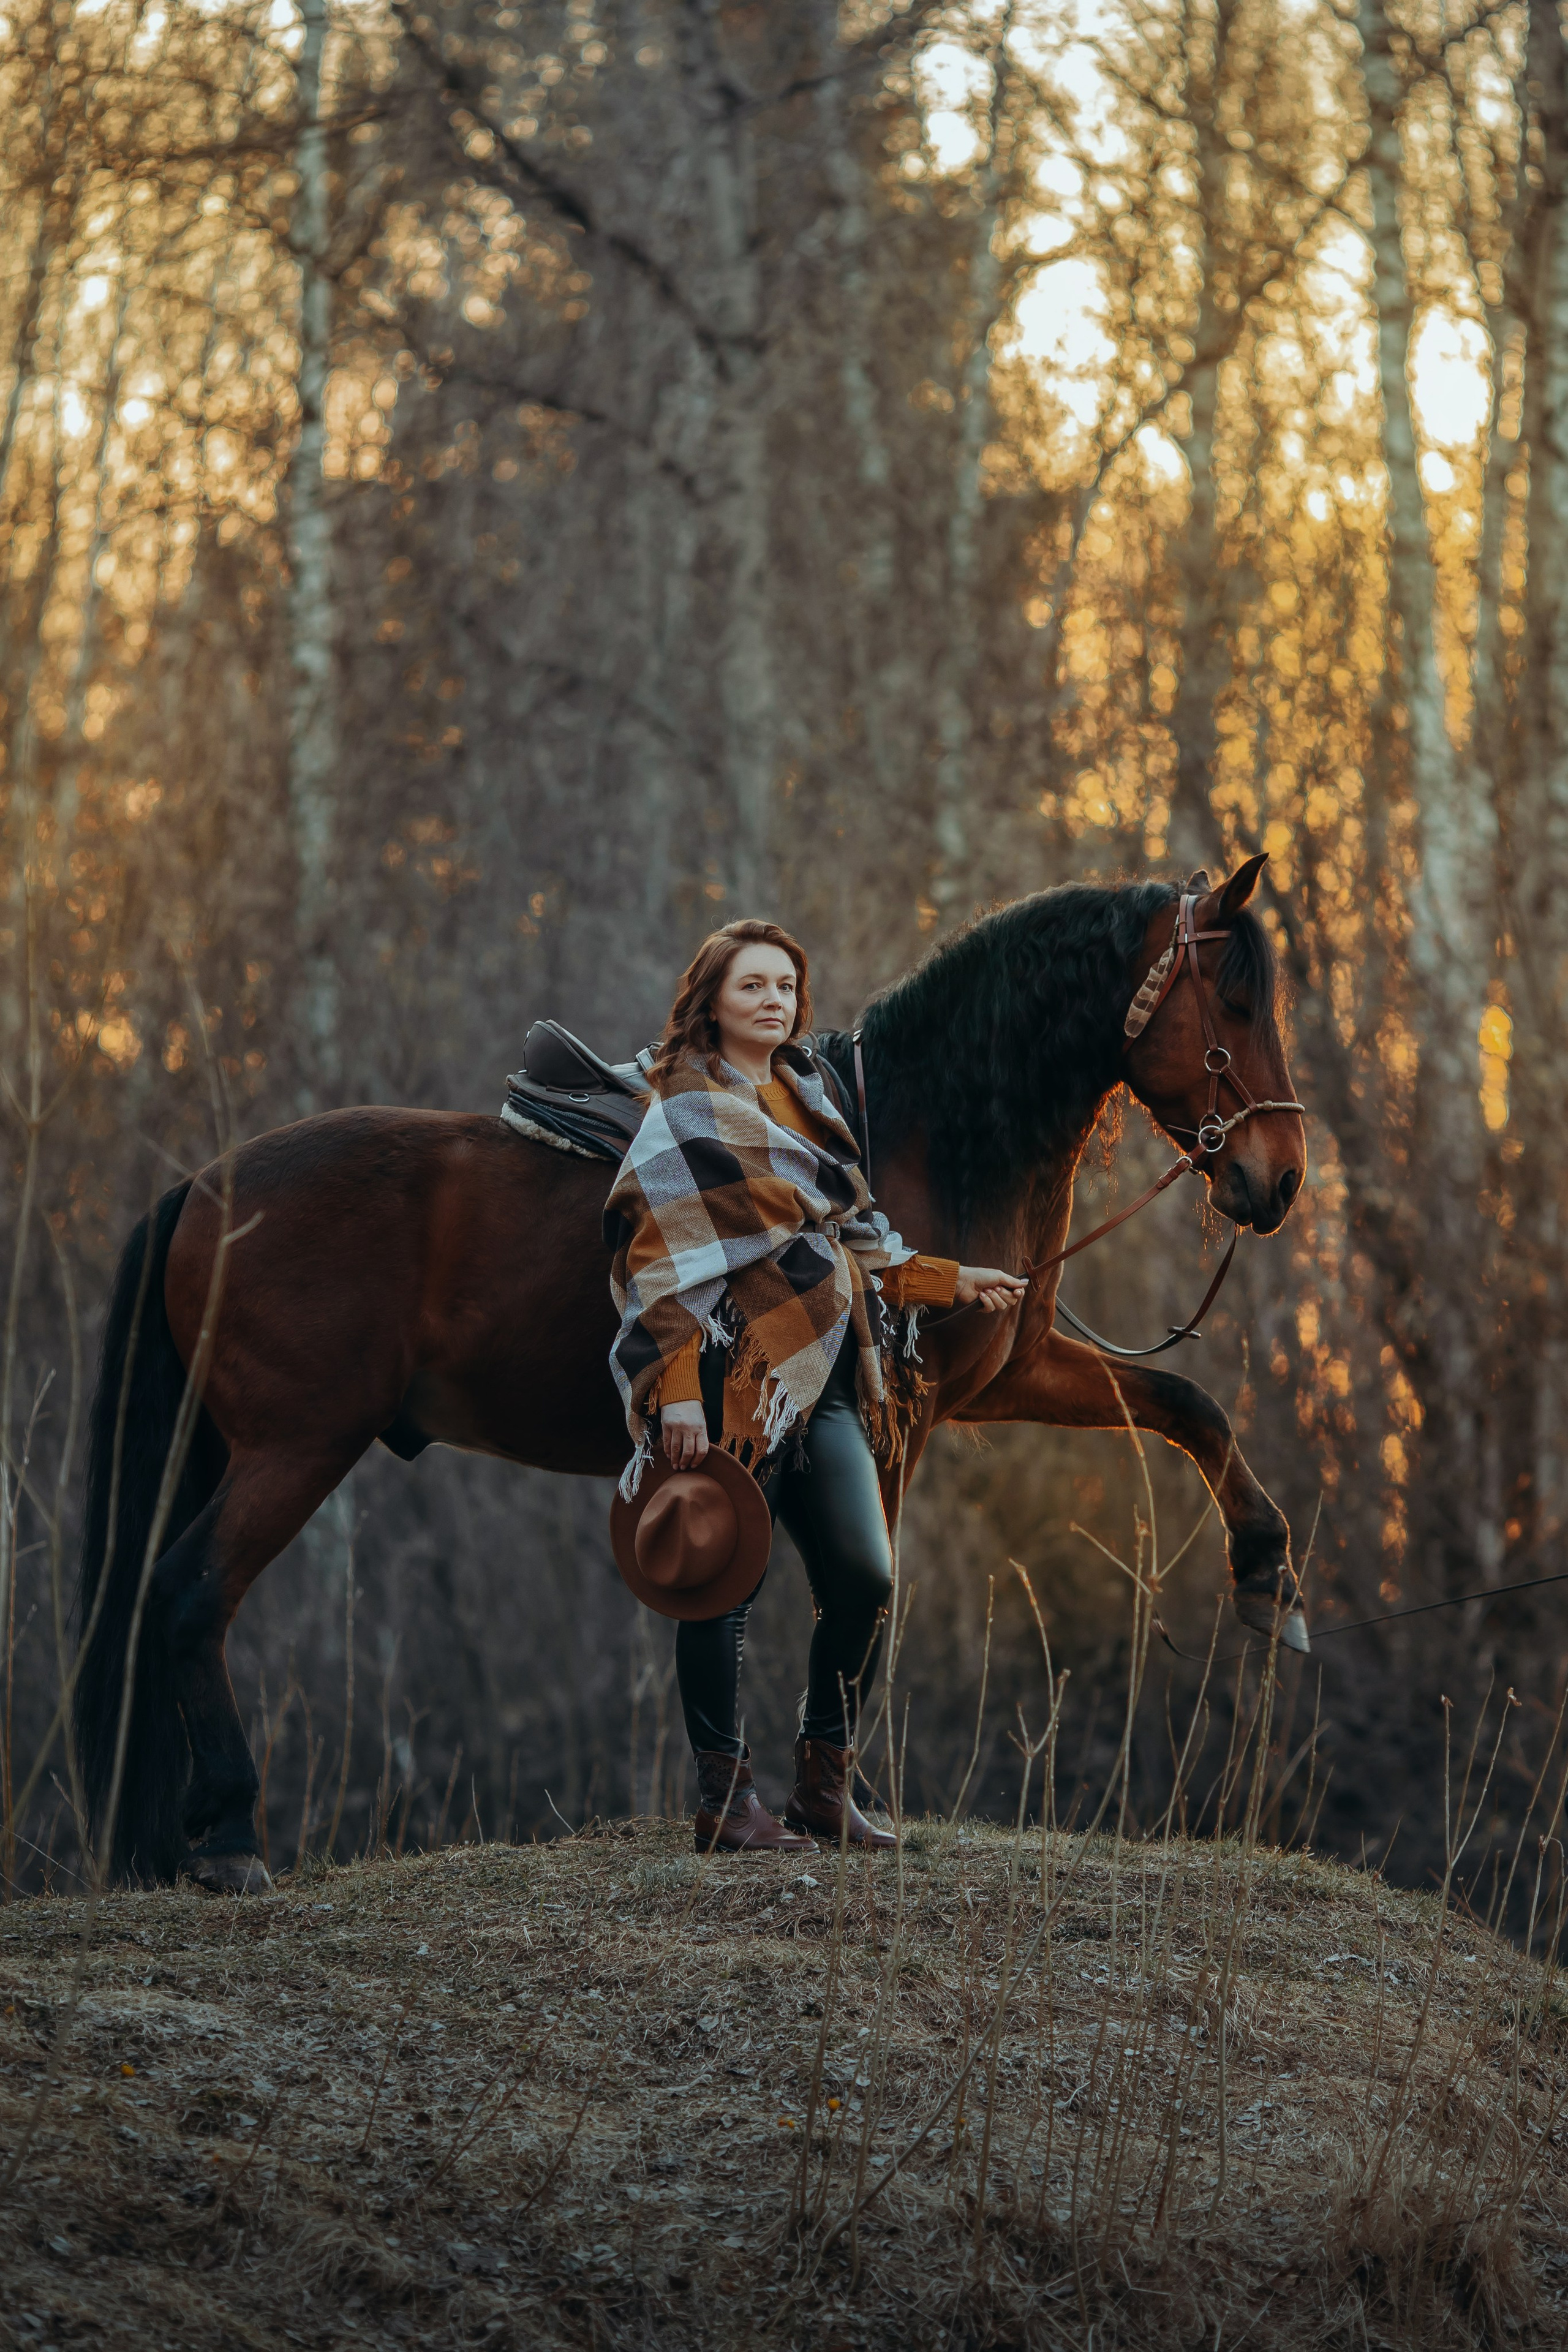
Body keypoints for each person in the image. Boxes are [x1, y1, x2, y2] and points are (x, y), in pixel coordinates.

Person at [605, 919, 1026, 1853]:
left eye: (787, 987)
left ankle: (822, 1785)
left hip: (828, 1373)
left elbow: (856, 1238)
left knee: (866, 1576)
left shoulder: (809, 1100)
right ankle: (724, 1800)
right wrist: (674, 1390)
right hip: (727, 1374)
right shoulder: (680, 1108)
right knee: (721, 1581)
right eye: (753, 985)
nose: (774, 1001)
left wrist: (955, 1280)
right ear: (712, 998)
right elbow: (656, 1260)